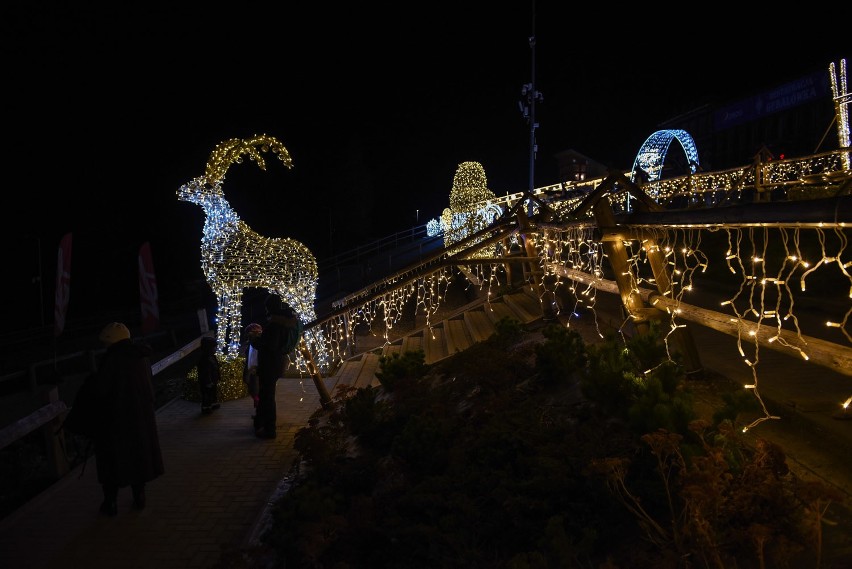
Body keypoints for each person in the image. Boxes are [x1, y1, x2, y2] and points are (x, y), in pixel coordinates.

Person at [90, 322, 165, 516]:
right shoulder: (140, 356)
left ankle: (110, 503)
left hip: (115, 421)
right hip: (140, 417)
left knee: (112, 462)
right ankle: (139, 496)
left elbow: (102, 391)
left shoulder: (111, 360)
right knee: (139, 457)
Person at [250, 294, 302, 440]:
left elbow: (270, 345)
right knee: (265, 394)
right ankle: (260, 422)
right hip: (278, 363)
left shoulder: (274, 324)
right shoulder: (286, 320)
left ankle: (269, 429)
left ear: (269, 307)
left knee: (267, 397)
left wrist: (255, 340)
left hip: (270, 365)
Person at [240, 323, 263, 412]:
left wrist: (248, 372)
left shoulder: (256, 345)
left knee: (256, 391)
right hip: (253, 371)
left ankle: (260, 412)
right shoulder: (252, 344)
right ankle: (259, 410)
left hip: (255, 371)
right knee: (254, 391)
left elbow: (253, 360)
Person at [197, 336, 222, 415]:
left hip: (213, 378)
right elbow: (204, 372)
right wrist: (208, 381)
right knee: (207, 394)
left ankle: (213, 403)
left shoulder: (212, 356)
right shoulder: (204, 359)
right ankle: (206, 408)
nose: (215, 349)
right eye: (214, 348)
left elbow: (215, 366)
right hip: (207, 381)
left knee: (213, 392)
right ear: (209, 348)